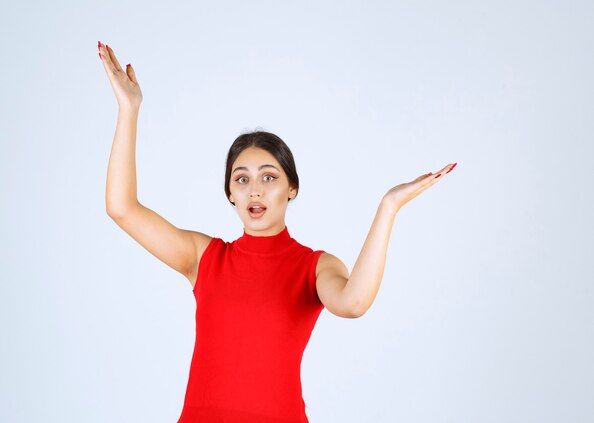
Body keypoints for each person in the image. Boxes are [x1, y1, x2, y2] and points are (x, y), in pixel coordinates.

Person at [98, 41, 457, 423]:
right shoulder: (203, 258)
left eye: (269, 177)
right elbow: (122, 208)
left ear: (291, 188)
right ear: (230, 194)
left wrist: (388, 208)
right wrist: (129, 110)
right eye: (242, 179)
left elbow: (353, 303)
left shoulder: (314, 267)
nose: (255, 189)